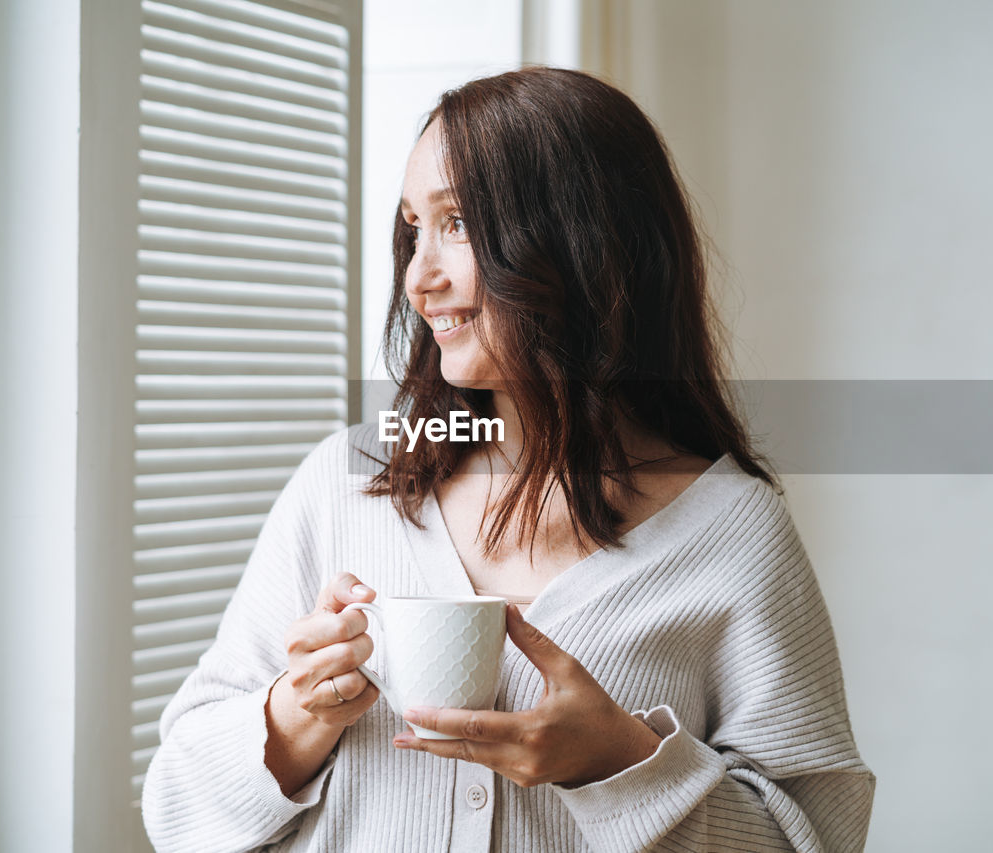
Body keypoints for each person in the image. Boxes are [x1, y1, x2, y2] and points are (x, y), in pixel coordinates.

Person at [142, 66, 875, 852]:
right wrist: (297, 715)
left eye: (457, 223)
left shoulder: (734, 533)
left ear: (583, 241)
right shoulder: (347, 481)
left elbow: (815, 837)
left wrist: (621, 762)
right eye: (412, 229)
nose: (420, 279)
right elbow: (176, 809)